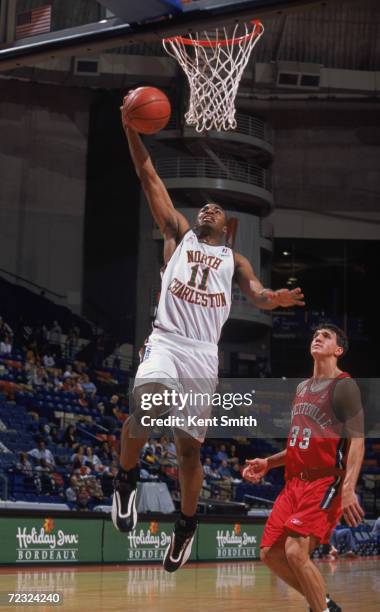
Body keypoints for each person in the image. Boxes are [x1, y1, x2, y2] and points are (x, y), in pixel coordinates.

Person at [112, 114, 305, 573]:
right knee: (148, 406)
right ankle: (125, 481)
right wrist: (129, 127)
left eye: (217, 211)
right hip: (168, 341)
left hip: (202, 356)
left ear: (228, 228)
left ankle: (185, 525)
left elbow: (256, 292)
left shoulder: (233, 258)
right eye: (205, 208)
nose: (208, 210)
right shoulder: (177, 234)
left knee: (188, 451)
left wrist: (272, 299)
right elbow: (148, 175)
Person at [243, 324, 365, 612]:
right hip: (293, 483)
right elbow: (301, 444)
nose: (317, 338)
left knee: (295, 551)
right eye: (315, 335)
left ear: (339, 350)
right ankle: (322, 603)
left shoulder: (344, 386)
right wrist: (269, 462)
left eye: (326, 336)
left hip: (324, 482)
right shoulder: (301, 389)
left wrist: (348, 488)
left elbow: (357, 441)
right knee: (270, 553)